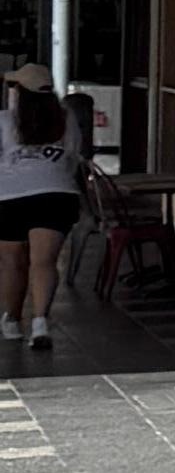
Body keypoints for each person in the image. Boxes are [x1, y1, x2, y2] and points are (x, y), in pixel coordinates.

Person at [0, 78, 87, 359]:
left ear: (19, 93)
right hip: (56, 194)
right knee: (43, 261)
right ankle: (39, 323)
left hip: (10, 196)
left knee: (12, 262)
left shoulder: (4, 121)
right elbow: (74, 156)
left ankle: (11, 321)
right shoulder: (65, 119)